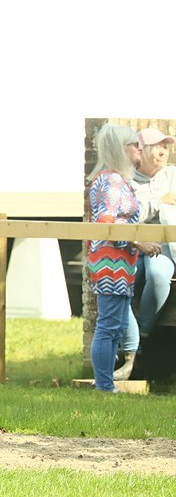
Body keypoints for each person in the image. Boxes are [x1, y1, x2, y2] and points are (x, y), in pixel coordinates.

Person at [86, 124, 162, 391]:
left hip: (117, 261)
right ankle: (104, 386)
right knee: (108, 326)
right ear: (122, 149)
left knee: (113, 325)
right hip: (112, 262)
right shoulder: (112, 181)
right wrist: (138, 243)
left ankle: (106, 385)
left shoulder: (113, 179)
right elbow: (108, 224)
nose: (139, 148)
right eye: (134, 144)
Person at [131, 127, 176, 340]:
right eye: (157, 146)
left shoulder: (173, 175)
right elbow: (129, 215)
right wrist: (160, 202)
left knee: (158, 275)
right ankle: (124, 341)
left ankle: (141, 334)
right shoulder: (127, 180)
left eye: (165, 147)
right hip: (131, 245)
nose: (163, 151)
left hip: (164, 246)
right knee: (126, 280)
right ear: (141, 151)